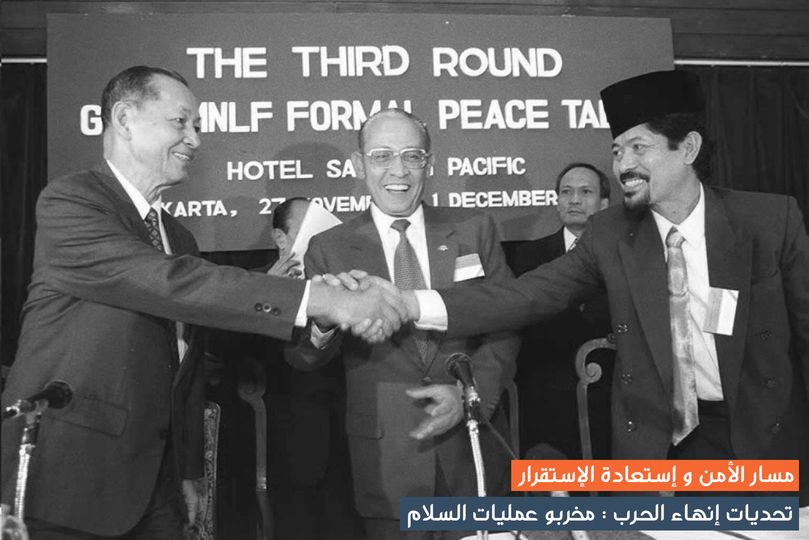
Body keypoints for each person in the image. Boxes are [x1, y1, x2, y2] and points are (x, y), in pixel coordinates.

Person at [0, 65, 406, 539]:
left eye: (197, 126)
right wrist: (324, 298)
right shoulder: (71, 202)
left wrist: (188, 467)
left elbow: (188, 363)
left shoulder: (178, 237)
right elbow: (169, 283)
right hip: (71, 478)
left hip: (157, 483)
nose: (194, 139)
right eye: (181, 122)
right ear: (125, 118)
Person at [392, 69, 809, 502]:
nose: (623, 165)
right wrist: (410, 304)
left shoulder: (769, 222)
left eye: (638, 148)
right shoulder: (611, 234)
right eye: (617, 151)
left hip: (761, 441)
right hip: (661, 453)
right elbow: (526, 295)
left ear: (688, 148)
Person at [286, 108, 519, 539]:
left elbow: (507, 324)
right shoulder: (329, 248)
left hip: (473, 451)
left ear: (430, 163)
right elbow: (304, 356)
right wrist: (326, 322)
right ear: (358, 165)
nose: (399, 170)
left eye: (412, 156)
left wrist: (471, 397)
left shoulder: (475, 229)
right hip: (386, 460)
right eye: (382, 156)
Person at [510, 163, 613, 458]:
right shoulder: (526, 256)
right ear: (557, 202)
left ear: (604, 204)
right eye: (566, 192)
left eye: (585, 192)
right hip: (544, 403)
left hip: (608, 400)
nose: (574, 200)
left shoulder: (624, 256)